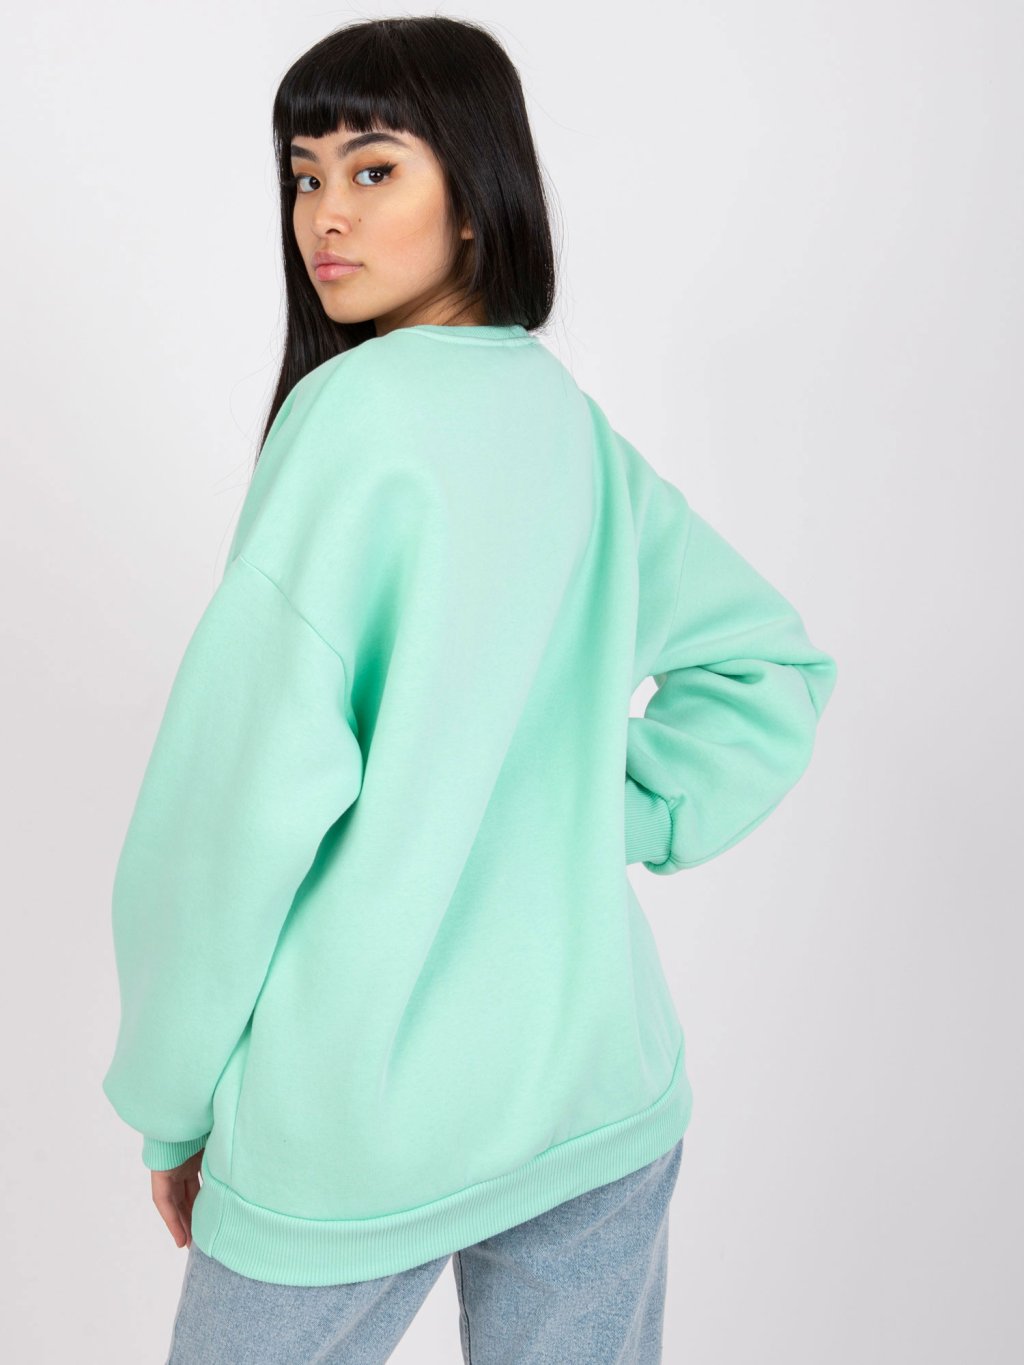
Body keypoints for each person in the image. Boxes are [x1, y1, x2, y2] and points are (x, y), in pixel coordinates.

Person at [100, 15, 839, 1364]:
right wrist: (589, 812)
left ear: (479, 195)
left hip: (354, 1124)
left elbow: (226, 818)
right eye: (304, 175)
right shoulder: (563, 417)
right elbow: (767, 667)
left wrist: (170, 1095)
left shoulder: (351, 423)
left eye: (374, 168)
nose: (324, 214)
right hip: (596, 1083)